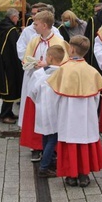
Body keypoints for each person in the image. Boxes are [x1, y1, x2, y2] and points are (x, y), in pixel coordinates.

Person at [47, 35, 102, 187]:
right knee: (84, 141)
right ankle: (83, 175)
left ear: (71, 49)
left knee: (70, 141)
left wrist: (55, 114)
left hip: (68, 115)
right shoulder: (92, 71)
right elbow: (96, 99)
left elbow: (54, 96)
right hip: (86, 116)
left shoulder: (63, 70)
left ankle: (71, 175)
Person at [19, 10, 69, 162]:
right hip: (35, 81)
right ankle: (36, 146)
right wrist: (32, 63)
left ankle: (51, 149)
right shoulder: (34, 40)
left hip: (51, 84)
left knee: (50, 115)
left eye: (36, 24)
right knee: (35, 113)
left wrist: (47, 64)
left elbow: (64, 62)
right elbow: (26, 57)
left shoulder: (59, 42)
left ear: (45, 25)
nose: (33, 27)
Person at [31, 45, 65, 178]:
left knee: (46, 136)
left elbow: (32, 92)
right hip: (56, 110)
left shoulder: (38, 73)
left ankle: (49, 161)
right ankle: (44, 166)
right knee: (53, 138)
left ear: (50, 58)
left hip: (41, 108)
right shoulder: (63, 73)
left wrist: (38, 102)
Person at [0, 8, 22, 124]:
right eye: (17, 17)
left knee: (8, 88)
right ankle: (4, 115)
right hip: (8, 63)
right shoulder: (10, 30)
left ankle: (9, 112)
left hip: (0, 61)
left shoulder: (2, 26)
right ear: (13, 17)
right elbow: (15, 47)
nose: (18, 19)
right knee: (10, 88)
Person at [82, 2, 102, 74]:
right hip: (94, 50)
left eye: (99, 11)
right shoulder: (93, 20)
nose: (97, 13)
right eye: (95, 11)